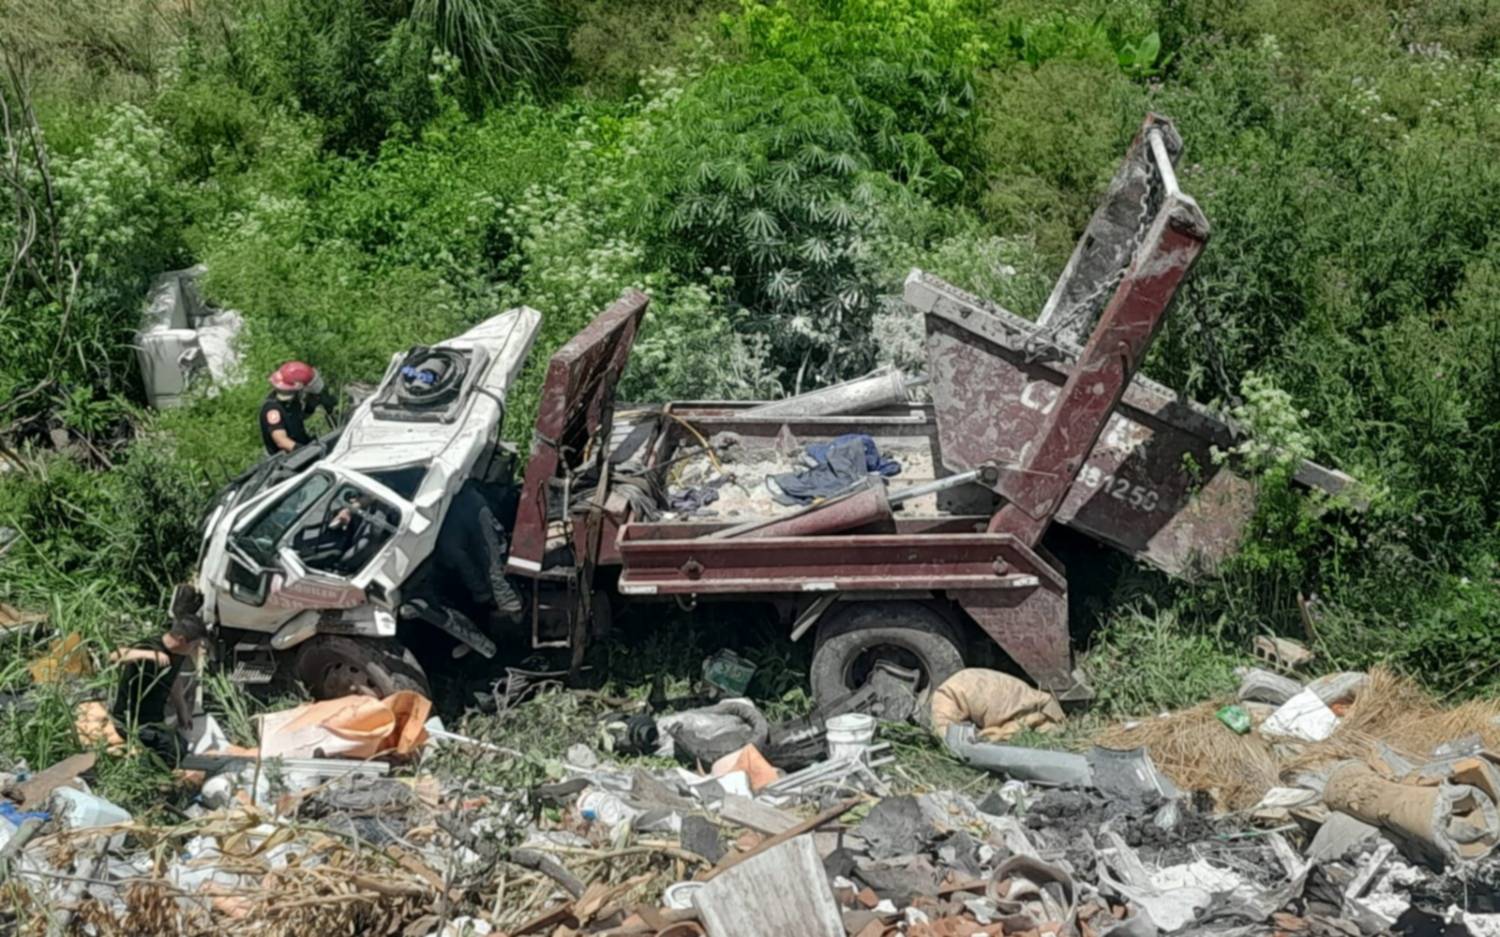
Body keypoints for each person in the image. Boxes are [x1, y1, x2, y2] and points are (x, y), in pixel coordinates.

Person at [259, 360, 337, 455]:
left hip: (303, 445)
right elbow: (281, 441)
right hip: (289, 459)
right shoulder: (272, 410)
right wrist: (307, 452)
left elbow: (296, 419)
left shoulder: (292, 401)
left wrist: (310, 407)